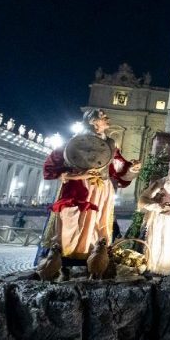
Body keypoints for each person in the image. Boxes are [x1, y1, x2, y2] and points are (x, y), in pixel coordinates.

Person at [38, 108, 141, 262]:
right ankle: (66, 255)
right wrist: (78, 175)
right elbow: (50, 167)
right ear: (93, 122)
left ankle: (93, 254)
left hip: (102, 188)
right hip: (78, 186)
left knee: (97, 221)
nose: (107, 118)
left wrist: (132, 168)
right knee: (72, 218)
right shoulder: (75, 142)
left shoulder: (110, 144)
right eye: (103, 116)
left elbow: (118, 168)